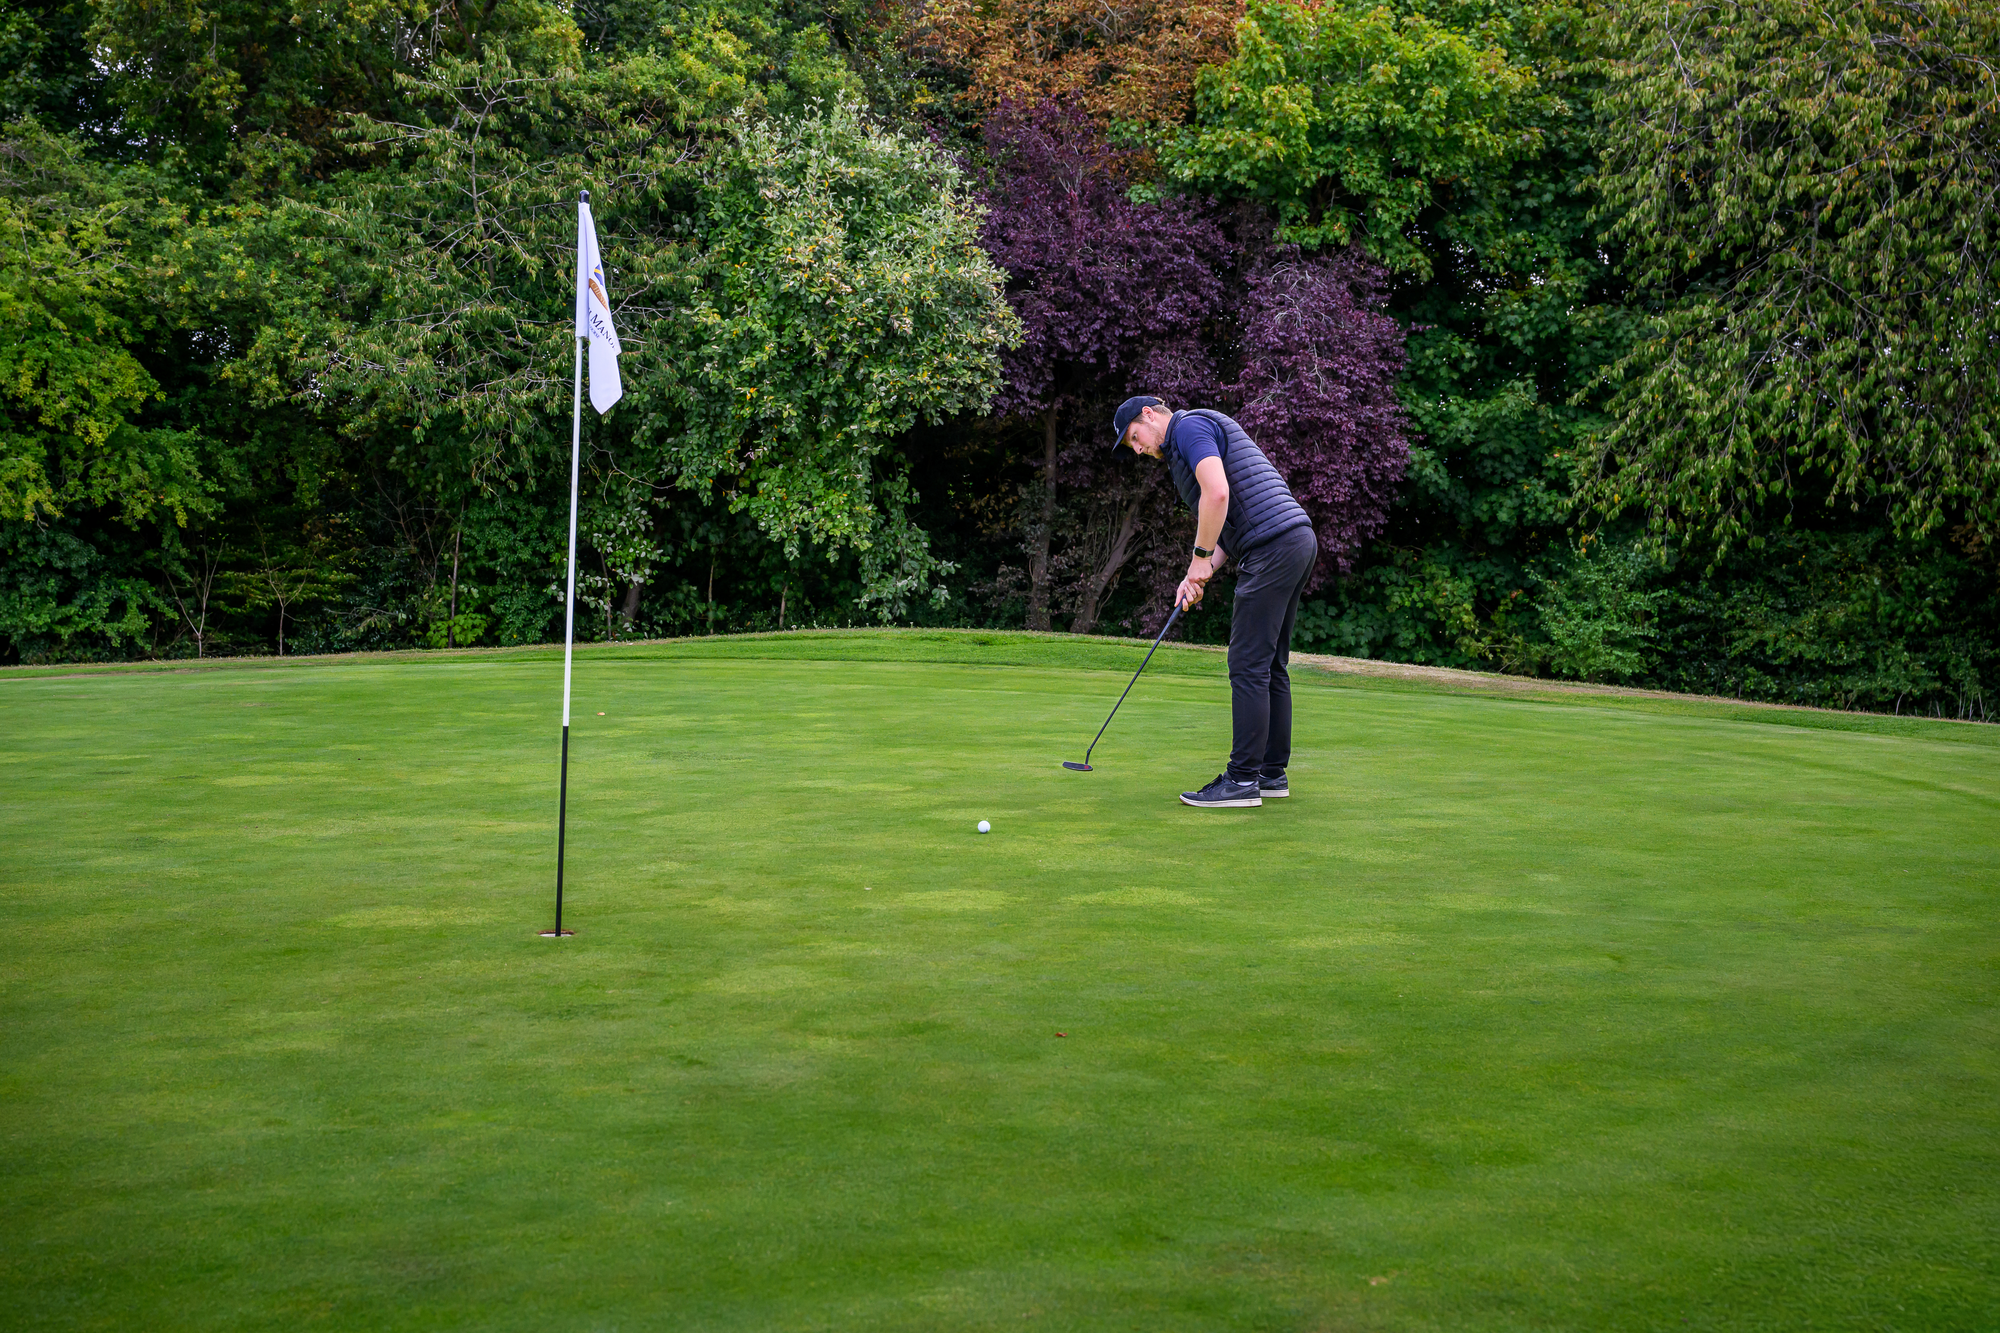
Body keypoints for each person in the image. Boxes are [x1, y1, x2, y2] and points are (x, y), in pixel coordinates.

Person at [1111, 395, 1317, 809]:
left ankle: (1242, 780)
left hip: (1273, 547)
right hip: (1294, 540)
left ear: (1149, 415)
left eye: (1135, 437)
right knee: (1270, 664)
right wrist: (1196, 573)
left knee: (1247, 664)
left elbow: (1218, 494)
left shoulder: (1187, 428)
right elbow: (1225, 526)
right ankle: (1269, 774)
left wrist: (1200, 559)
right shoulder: (1190, 438)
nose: (1138, 448)